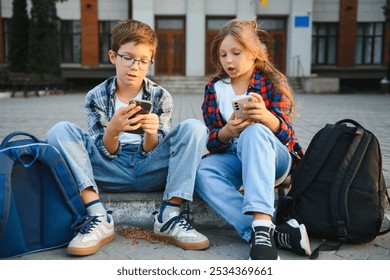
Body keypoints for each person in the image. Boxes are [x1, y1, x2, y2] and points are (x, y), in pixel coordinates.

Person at [46, 19, 209, 256]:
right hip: (109, 169)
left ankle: (169, 216)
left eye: (143, 61)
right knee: (60, 131)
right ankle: (98, 216)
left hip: (152, 169)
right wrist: (112, 129)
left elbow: (153, 150)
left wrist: (151, 133)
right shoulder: (97, 96)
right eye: (128, 57)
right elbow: (106, 151)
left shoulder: (161, 96)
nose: (135, 66)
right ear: (113, 56)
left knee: (195, 127)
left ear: (150, 62)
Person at [195, 19, 311, 260]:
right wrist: (226, 132)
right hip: (235, 155)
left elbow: (288, 137)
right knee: (202, 171)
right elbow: (213, 142)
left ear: (254, 52)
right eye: (223, 54)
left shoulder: (271, 80)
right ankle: (270, 233)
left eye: (236, 53)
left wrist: (267, 118)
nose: (228, 60)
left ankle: (261, 223)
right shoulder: (214, 88)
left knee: (255, 131)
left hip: (273, 158)